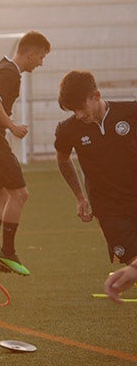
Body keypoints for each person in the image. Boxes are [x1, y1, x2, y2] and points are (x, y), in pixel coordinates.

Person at [0, 30, 50, 276]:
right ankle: (8, 251)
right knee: (21, 193)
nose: (41, 63)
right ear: (31, 53)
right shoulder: (10, 73)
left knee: (2, 193)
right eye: (41, 57)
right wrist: (10, 125)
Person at [53, 70, 137, 266]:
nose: (79, 115)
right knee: (132, 261)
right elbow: (63, 160)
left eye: (81, 108)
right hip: (108, 207)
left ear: (96, 96)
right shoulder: (67, 130)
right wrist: (80, 197)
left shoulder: (130, 113)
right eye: (73, 111)